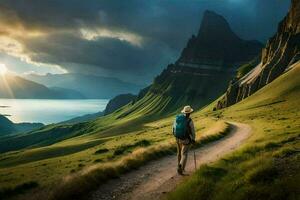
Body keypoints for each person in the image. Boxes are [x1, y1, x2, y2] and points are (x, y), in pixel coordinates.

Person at [173, 105, 196, 175]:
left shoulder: (178, 118)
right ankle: (181, 168)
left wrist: (176, 136)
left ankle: (178, 165)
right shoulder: (190, 121)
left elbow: (173, 128)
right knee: (185, 154)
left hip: (178, 138)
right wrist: (193, 139)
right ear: (190, 113)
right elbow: (193, 132)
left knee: (179, 152)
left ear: (183, 112)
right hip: (186, 139)